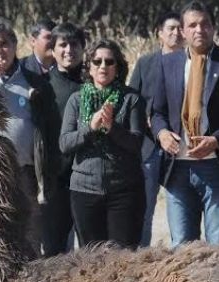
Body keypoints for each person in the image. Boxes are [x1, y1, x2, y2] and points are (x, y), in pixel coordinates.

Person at [151, 1, 219, 246]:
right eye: (192, 25)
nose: (199, 29)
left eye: (205, 24)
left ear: (213, 28)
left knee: (218, 245)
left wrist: (216, 140)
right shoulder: (167, 63)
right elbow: (157, 111)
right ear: (183, 31)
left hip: (217, 165)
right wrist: (161, 133)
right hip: (177, 168)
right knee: (182, 246)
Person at [59, 39, 146, 249]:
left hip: (124, 191)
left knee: (123, 260)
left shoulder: (131, 99)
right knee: (91, 262)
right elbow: (65, 143)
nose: (103, 66)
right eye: (97, 61)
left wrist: (111, 127)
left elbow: (136, 143)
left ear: (118, 67)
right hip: (85, 191)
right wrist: (91, 127)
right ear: (89, 66)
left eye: (109, 62)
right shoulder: (76, 100)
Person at [0, 17, 54, 256]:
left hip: (25, 171)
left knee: (30, 234)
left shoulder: (32, 80)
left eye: (4, 44)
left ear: (14, 46)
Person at [128, 11, 183, 247]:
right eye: (170, 28)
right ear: (159, 33)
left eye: (180, 28)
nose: (176, 33)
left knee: (179, 209)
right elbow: (131, 99)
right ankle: (142, 256)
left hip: (181, 144)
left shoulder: (193, 63)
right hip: (149, 145)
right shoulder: (146, 63)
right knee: (145, 208)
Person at [41, 22, 86, 256]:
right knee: (54, 251)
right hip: (55, 180)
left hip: (88, 179)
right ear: (53, 49)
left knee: (93, 249)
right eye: (63, 44)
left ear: (83, 48)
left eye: (75, 44)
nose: (69, 50)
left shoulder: (94, 83)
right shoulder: (43, 86)